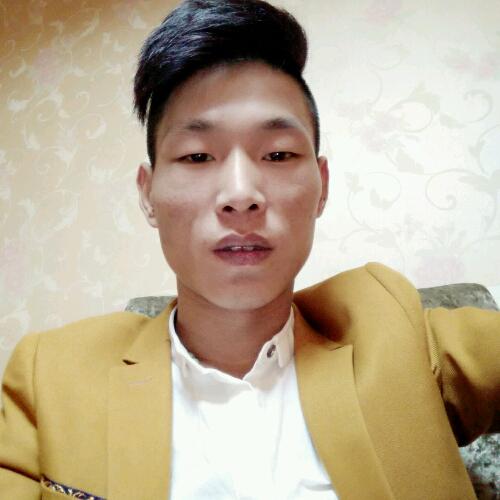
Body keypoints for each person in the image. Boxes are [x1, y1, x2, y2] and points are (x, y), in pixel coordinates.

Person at [0, 0, 498, 498]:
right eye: (197, 156)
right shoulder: (51, 376)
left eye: (278, 154)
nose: (241, 194)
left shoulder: (394, 330)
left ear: (322, 186)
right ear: (147, 194)